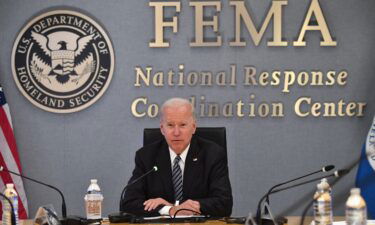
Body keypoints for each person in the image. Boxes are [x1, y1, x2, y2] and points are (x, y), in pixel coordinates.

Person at [120, 97, 232, 217]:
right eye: (170, 125)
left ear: (193, 127)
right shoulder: (146, 156)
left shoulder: (213, 154)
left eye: (183, 125)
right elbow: (128, 204)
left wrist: (174, 207)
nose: (176, 132)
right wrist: (169, 210)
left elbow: (224, 204)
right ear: (162, 129)